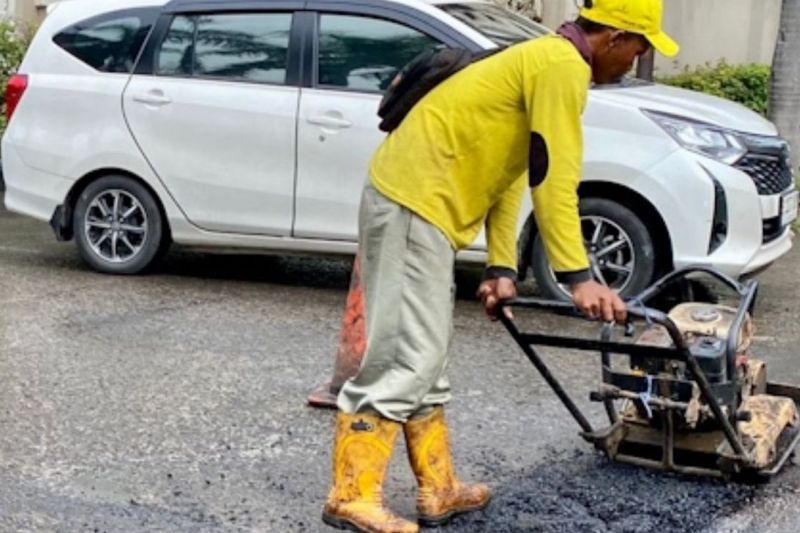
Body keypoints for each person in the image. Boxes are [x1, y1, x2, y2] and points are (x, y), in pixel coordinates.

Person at [322, 1, 679, 531]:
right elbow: (556, 176)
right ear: (614, 37)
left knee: (427, 354)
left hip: (424, 208)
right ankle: (351, 495)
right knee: (405, 356)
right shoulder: (561, 67)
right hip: (413, 204)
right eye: (639, 47)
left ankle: (438, 488)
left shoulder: (543, 58)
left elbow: (516, 170)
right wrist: (578, 277)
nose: (637, 60)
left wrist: (501, 265)